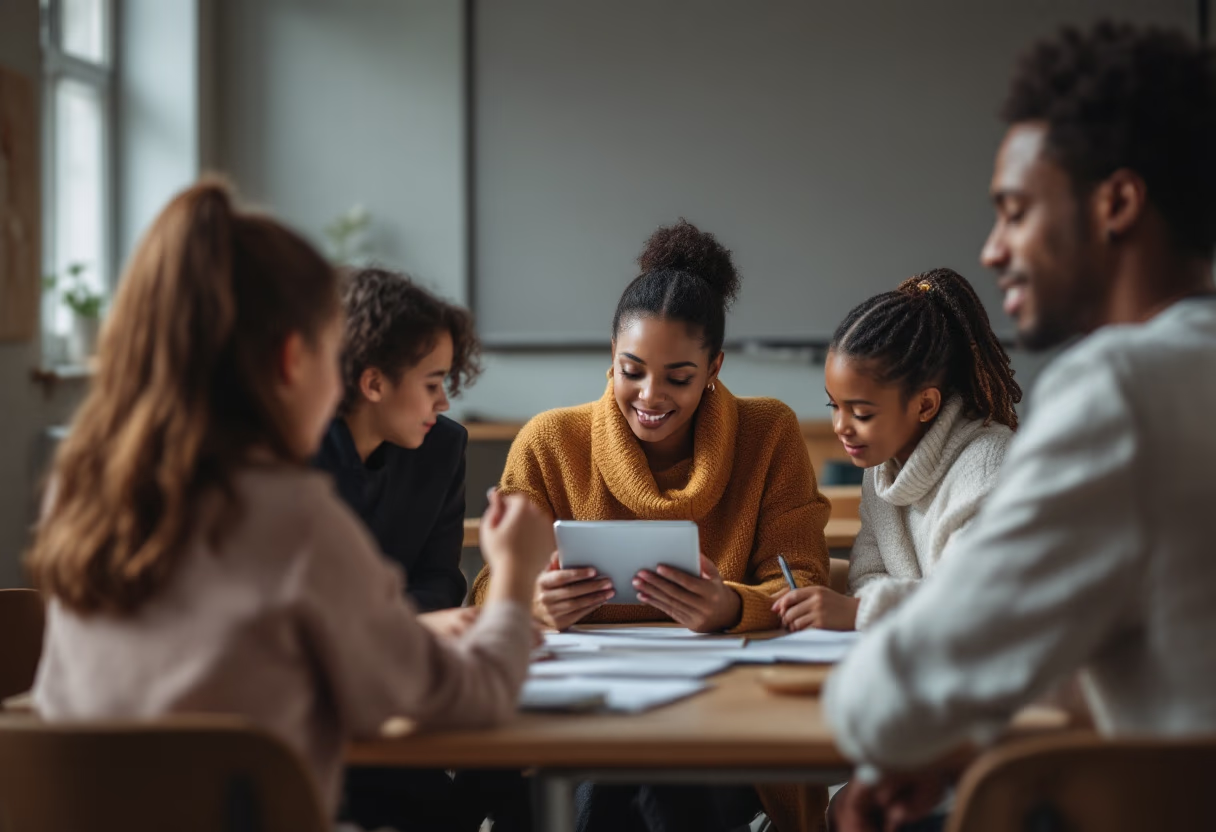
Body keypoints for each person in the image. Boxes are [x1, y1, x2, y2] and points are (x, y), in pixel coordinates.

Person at [26, 181, 555, 829]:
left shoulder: (79, 490)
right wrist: (514, 580)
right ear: (289, 361)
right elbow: (469, 698)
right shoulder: (291, 517)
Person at [824, 22, 1216, 831]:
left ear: (1116, 203)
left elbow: (886, 704)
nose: (993, 249)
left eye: (1016, 211)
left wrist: (920, 722)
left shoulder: (1121, 390)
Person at [472, 219, 831, 832]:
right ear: (610, 356)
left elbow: (802, 585)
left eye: (679, 378)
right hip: (579, 711)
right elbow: (485, 594)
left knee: (662, 785)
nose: (649, 395)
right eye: (631, 369)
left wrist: (728, 607)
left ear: (714, 366)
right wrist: (535, 603)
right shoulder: (550, 442)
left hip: (720, 714)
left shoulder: (768, 433)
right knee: (611, 784)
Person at [773, 268, 1019, 633]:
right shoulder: (882, 467)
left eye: (861, 413)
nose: (840, 426)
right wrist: (873, 607)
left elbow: (976, 600)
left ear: (925, 406)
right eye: (833, 407)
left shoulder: (988, 466)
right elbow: (867, 577)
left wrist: (860, 613)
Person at [315, 267, 478, 619]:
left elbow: (442, 580)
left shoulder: (444, 448)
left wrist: (385, 625)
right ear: (374, 383)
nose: (444, 404)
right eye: (432, 385)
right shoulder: (293, 454)